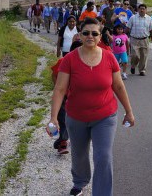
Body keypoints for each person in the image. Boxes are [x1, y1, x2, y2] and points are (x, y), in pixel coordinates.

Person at [47, 17, 135, 196]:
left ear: (100, 36)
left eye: (95, 33)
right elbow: (60, 89)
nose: (90, 36)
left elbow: (118, 86)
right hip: (76, 117)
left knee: (103, 157)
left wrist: (129, 111)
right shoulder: (69, 59)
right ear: (79, 35)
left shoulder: (109, 57)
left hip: (105, 116)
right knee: (79, 155)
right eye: (86, 33)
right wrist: (54, 117)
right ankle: (80, 182)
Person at [50, 40, 83, 155]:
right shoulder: (63, 60)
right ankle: (63, 142)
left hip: (77, 97)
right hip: (64, 97)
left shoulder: (86, 63)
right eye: (77, 50)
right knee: (64, 119)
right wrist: (58, 88)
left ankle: (62, 140)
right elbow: (54, 74)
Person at [126, 4, 152, 76]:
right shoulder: (133, 18)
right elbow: (128, 28)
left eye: (143, 9)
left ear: (146, 10)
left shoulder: (149, 19)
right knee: (135, 55)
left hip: (145, 39)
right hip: (134, 39)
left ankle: (142, 70)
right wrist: (124, 36)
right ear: (138, 9)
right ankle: (133, 66)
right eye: (140, 9)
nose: (142, 10)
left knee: (144, 56)